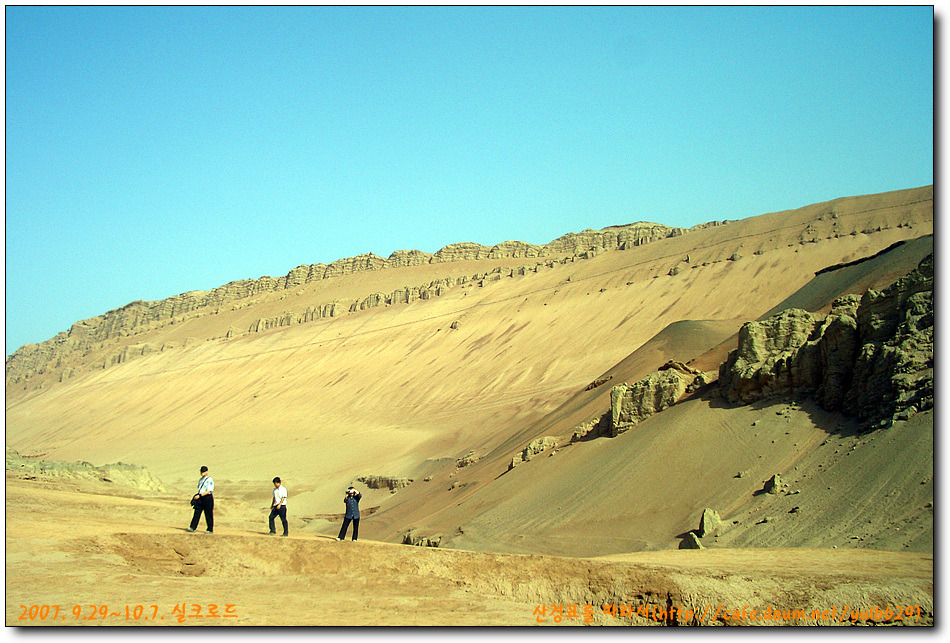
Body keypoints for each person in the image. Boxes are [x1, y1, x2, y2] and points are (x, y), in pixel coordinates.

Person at [187, 466, 214, 534]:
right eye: (201, 471)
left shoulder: (209, 480)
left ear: (207, 472)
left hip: (207, 498)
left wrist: (200, 495)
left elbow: (209, 490)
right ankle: (193, 527)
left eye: (204, 471)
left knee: (208, 514)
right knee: (197, 512)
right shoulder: (200, 480)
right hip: (200, 497)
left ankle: (210, 529)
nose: (202, 473)